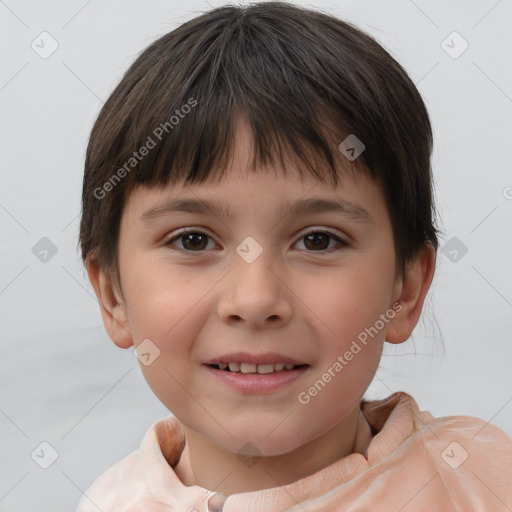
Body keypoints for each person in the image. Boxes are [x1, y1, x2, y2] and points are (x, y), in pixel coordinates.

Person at [76, 2, 511, 511]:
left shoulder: (484, 482)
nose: (255, 299)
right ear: (112, 295)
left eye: (318, 240)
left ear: (406, 289)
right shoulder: (107, 503)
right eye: (193, 240)